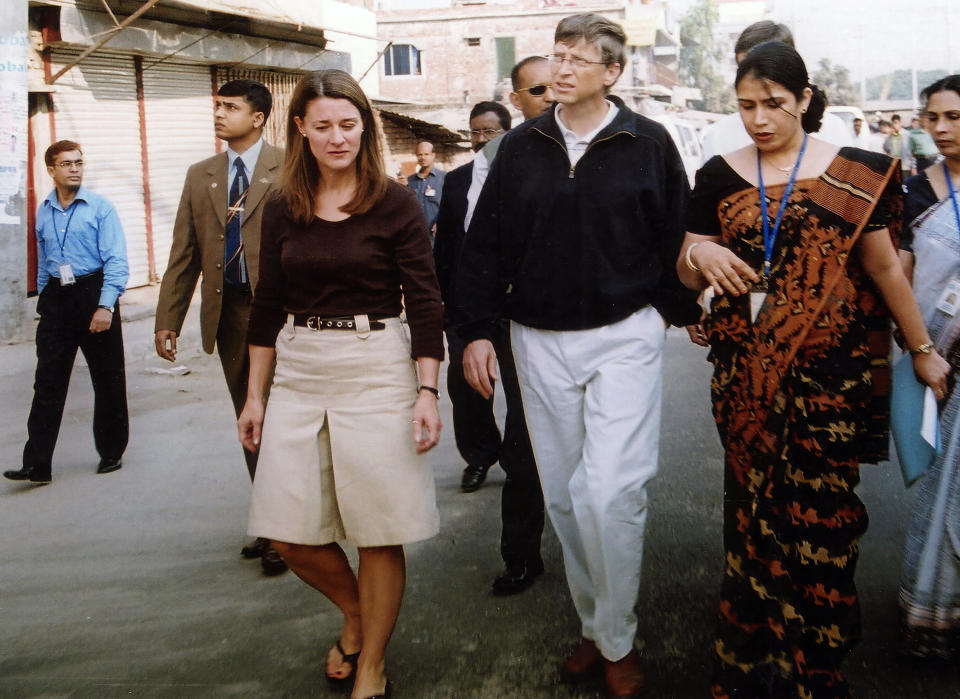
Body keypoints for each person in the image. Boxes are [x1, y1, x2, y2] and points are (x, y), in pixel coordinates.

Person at [677, 42, 950, 697]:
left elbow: (884, 269)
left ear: (804, 99)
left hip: (834, 374)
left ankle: (817, 662)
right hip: (746, 374)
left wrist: (920, 347)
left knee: (824, 517)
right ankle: (749, 658)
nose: (759, 118)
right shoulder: (718, 174)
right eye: (745, 105)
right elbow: (687, 258)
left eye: (774, 103)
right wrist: (701, 259)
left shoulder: (856, 171)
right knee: (753, 515)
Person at [457, 14, 699, 697]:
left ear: (612, 73)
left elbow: (676, 234)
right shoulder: (521, 147)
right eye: (557, 56)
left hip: (624, 333)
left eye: (577, 59)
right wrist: (475, 328)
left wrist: (678, 309)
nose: (560, 69)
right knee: (566, 494)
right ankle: (596, 627)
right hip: (537, 338)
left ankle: (618, 639)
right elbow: (484, 245)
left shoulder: (647, 143)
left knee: (611, 490)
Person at [237, 69, 444, 699]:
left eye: (348, 125)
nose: (337, 138)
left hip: (376, 363)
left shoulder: (395, 202)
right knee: (287, 530)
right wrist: (254, 395)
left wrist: (427, 390)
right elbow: (268, 303)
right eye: (322, 125)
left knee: (378, 530)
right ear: (300, 129)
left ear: (365, 128)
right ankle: (357, 617)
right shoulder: (282, 206)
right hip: (300, 367)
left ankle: (372, 662)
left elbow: (426, 299)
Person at [154, 79, 287, 576]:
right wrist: (168, 318)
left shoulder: (289, 168)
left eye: (230, 107)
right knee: (250, 422)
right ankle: (274, 523)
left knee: (280, 419)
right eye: (216, 106)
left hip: (283, 315)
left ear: (258, 118)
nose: (218, 114)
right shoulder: (202, 174)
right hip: (230, 314)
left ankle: (286, 528)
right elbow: (184, 252)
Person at [435, 63, 551, 596]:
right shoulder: (477, 175)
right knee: (520, 436)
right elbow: (464, 253)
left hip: (574, 327)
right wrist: (467, 322)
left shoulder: (602, 154)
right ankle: (521, 554)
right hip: (497, 318)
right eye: (539, 90)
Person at [5, 140, 129, 485]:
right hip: (58, 300)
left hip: (94, 294)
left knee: (107, 379)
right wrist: (45, 300)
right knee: (47, 382)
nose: (74, 168)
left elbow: (116, 261)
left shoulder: (100, 208)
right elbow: (46, 261)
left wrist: (105, 306)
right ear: (51, 170)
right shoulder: (44, 210)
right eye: (66, 164)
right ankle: (37, 464)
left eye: (78, 162)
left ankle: (110, 451)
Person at [897, 74, 960, 660]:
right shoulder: (918, 192)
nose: (939, 129)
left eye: (953, 117)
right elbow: (903, 277)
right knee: (945, 491)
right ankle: (933, 620)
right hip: (942, 360)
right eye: (931, 117)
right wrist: (921, 351)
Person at [435, 100, 512, 495]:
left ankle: (519, 458)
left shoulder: (520, 174)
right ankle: (479, 456)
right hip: (466, 302)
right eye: (475, 132)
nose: (480, 140)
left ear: (507, 133)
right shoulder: (457, 180)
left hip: (513, 304)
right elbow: (445, 246)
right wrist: (444, 299)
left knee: (518, 382)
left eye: (490, 132)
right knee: (467, 385)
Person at [699, 21, 852, 164]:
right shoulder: (718, 137)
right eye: (745, 69)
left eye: (774, 104)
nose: (759, 120)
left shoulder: (833, 131)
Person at [407, 140, 445, 238]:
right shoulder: (410, 180)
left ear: (433, 155)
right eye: (419, 154)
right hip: (416, 235)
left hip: (436, 235)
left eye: (426, 154)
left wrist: (441, 221)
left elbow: (452, 206)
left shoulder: (444, 178)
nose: (423, 157)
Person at [885, 113, 916, 179]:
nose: (894, 125)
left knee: (906, 186)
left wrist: (913, 166)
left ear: (900, 123)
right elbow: (886, 148)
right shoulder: (891, 136)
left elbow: (914, 152)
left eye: (896, 123)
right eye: (893, 123)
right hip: (894, 166)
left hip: (906, 167)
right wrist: (889, 136)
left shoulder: (908, 135)